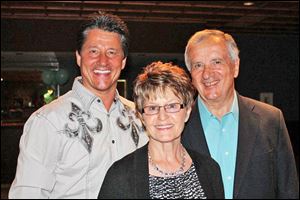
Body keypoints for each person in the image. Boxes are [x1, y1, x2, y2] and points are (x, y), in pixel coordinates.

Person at [9, 12, 148, 199]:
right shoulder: (48, 121)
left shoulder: (140, 117)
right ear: (78, 57)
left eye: (112, 52)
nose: (103, 61)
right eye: (93, 51)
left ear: (123, 61)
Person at [182, 29, 299, 199]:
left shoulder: (271, 120)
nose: (207, 74)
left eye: (216, 62)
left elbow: (289, 191)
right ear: (190, 74)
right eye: (198, 65)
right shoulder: (177, 125)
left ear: (235, 66)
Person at [98, 61, 225, 199]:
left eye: (172, 106)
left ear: (187, 111)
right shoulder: (120, 176)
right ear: (141, 116)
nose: (162, 117)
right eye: (152, 108)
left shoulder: (210, 170)